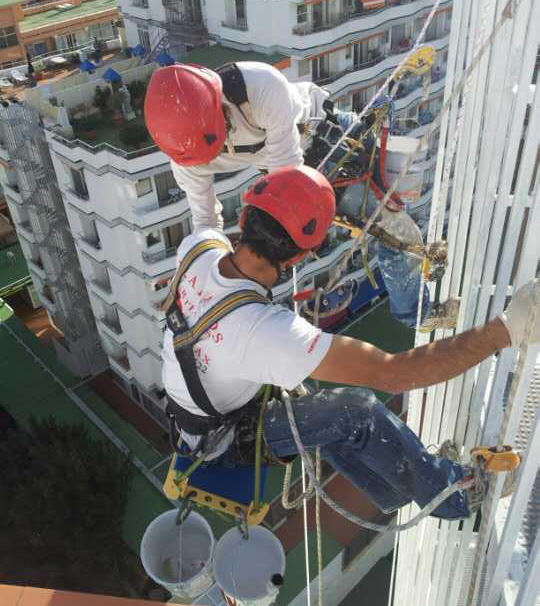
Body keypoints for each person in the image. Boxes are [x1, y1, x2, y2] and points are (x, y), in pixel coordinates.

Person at [162, 166, 539, 521]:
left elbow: (207, 223)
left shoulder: (199, 249)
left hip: (194, 410)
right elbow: (392, 373)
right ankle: (456, 494)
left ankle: (390, 493)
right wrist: (507, 330)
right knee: (354, 411)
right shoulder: (265, 334)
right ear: (299, 256)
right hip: (221, 441)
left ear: (245, 219)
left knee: (320, 408)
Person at [145, 62, 450, 331]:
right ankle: (416, 313)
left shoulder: (259, 87)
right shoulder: (187, 156)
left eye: (224, 126)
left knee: (400, 175)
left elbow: (287, 178)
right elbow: (206, 223)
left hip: (322, 131)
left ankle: (419, 254)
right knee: (395, 228)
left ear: (217, 100)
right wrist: (204, 275)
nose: (225, 142)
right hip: (307, 168)